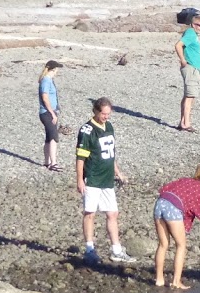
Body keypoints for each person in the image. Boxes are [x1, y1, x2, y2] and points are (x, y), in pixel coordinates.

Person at [75, 97, 135, 266]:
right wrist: (80, 179)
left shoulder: (109, 127)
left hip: (107, 178)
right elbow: (80, 158)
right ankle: (89, 249)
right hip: (92, 178)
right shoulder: (87, 131)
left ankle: (116, 250)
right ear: (95, 111)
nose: (106, 117)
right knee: (90, 213)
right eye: (103, 114)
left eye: (109, 114)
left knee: (112, 213)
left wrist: (118, 173)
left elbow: (111, 154)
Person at [153, 165, 200, 289]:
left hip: (160, 203)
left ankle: (159, 279)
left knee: (163, 244)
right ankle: (176, 282)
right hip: (172, 209)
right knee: (181, 245)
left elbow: (164, 190)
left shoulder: (185, 180)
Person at [175, 13, 200, 132]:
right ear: (193, 24)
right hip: (190, 68)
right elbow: (178, 45)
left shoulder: (193, 35)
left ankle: (182, 122)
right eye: (199, 25)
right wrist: (183, 60)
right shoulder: (191, 33)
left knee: (188, 95)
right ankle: (186, 124)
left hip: (194, 68)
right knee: (190, 96)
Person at [38, 60, 63, 173]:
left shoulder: (48, 80)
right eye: (56, 69)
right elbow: (45, 97)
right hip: (47, 113)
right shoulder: (46, 81)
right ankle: (53, 163)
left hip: (48, 112)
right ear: (53, 70)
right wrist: (52, 113)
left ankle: (47, 161)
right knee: (54, 137)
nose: (57, 72)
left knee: (49, 137)